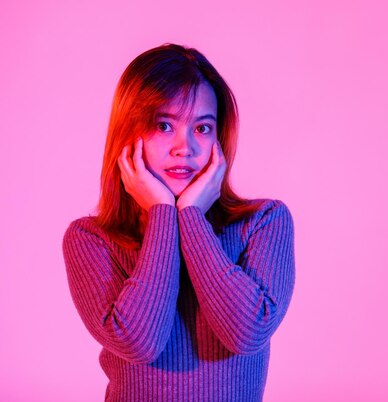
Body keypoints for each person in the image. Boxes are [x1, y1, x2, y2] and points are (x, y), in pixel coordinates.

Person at [62, 43, 296, 401]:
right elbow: (139, 342)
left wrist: (190, 216)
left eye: (202, 128)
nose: (183, 147)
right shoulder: (90, 239)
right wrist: (162, 214)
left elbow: (247, 333)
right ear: (128, 133)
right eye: (163, 125)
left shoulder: (265, 222)